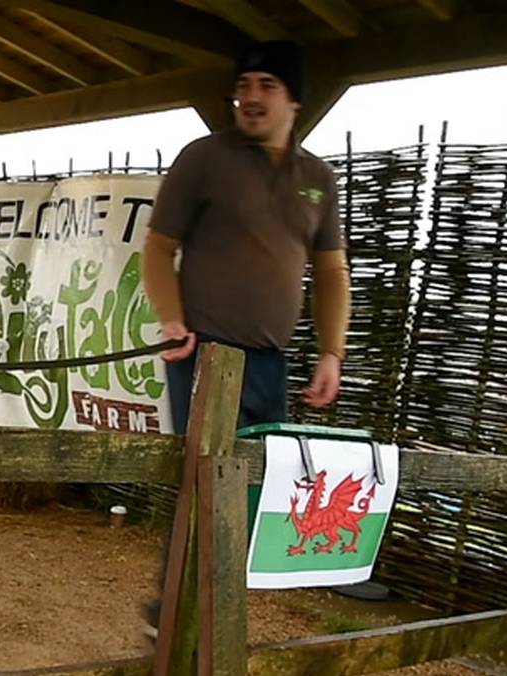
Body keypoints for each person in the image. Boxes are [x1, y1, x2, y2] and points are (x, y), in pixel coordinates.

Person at [143, 41, 351, 434]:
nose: (251, 97)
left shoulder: (318, 178)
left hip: (270, 363)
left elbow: (332, 273)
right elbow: (158, 247)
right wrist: (171, 320)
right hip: (204, 354)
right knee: (205, 483)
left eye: (267, 84)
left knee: (264, 483)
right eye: (244, 84)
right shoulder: (204, 158)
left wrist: (331, 353)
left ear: (295, 99)